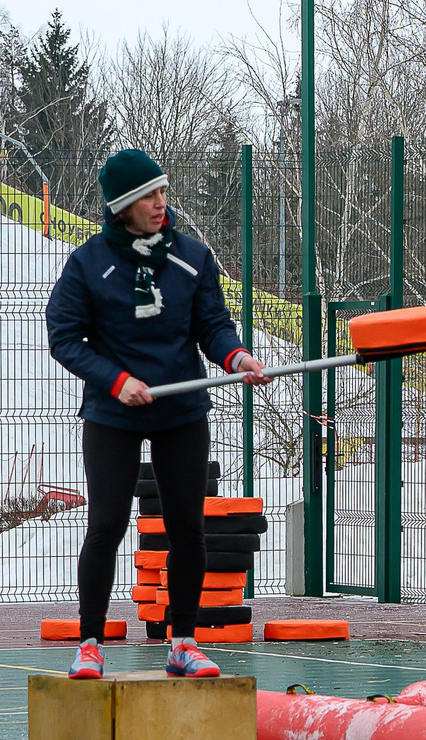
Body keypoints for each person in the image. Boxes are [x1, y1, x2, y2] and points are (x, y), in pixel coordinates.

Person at [46, 147, 268, 681]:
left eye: (163, 191)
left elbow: (212, 325)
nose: (160, 203)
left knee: (187, 526)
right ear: (122, 206)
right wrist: (116, 382)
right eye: (149, 195)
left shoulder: (192, 256)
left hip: (181, 411)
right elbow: (63, 337)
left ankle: (183, 642)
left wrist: (235, 355)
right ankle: (91, 643)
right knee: (106, 524)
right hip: (112, 413)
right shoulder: (88, 262)